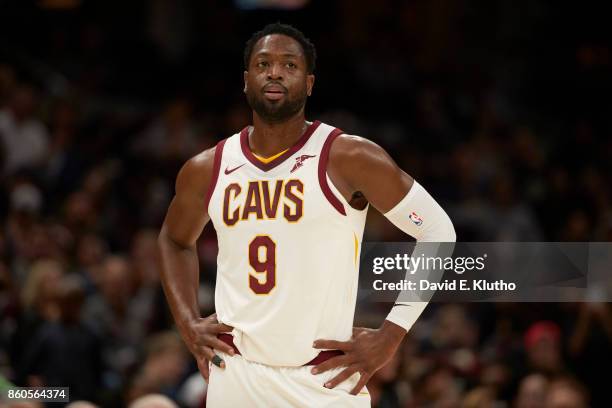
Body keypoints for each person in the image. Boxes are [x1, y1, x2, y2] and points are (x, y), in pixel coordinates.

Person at [158, 22, 455, 407]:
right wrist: (188, 323)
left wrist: (391, 334)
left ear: (310, 83)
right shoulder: (207, 168)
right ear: (246, 80)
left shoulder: (349, 157)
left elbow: (438, 231)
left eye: (289, 65)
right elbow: (174, 239)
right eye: (263, 64)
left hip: (323, 380)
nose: (275, 72)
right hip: (238, 374)